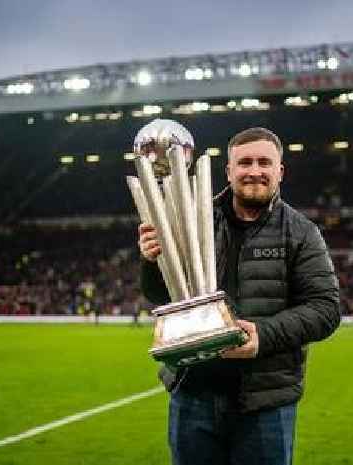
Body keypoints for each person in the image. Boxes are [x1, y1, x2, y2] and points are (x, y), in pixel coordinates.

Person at [138, 127, 341, 465]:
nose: (255, 171)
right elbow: (160, 294)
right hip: (194, 395)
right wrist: (150, 260)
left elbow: (325, 310)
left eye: (265, 162)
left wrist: (261, 336)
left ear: (280, 171)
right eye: (244, 162)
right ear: (229, 171)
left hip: (265, 403)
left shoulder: (301, 232)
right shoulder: (192, 219)